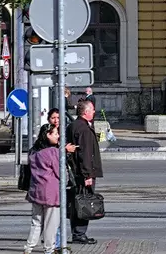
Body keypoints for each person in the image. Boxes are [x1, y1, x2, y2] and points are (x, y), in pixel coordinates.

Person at [67, 100, 103, 245]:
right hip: (83, 173)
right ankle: (79, 233)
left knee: (77, 201)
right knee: (84, 203)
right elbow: (86, 154)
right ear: (86, 112)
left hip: (76, 171)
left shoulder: (73, 126)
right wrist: (88, 175)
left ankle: (77, 233)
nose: (94, 112)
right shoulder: (84, 129)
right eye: (92, 110)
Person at [24, 125, 62, 254]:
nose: (58, 136)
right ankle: (49, 249)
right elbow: (59, 172)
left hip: (36, 191)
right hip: (51, 193)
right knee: (51, 223)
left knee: (36, 222)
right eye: (55, 134)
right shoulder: (53, 152)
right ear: (48, 135)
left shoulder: (33, 151)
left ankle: (28, 248)